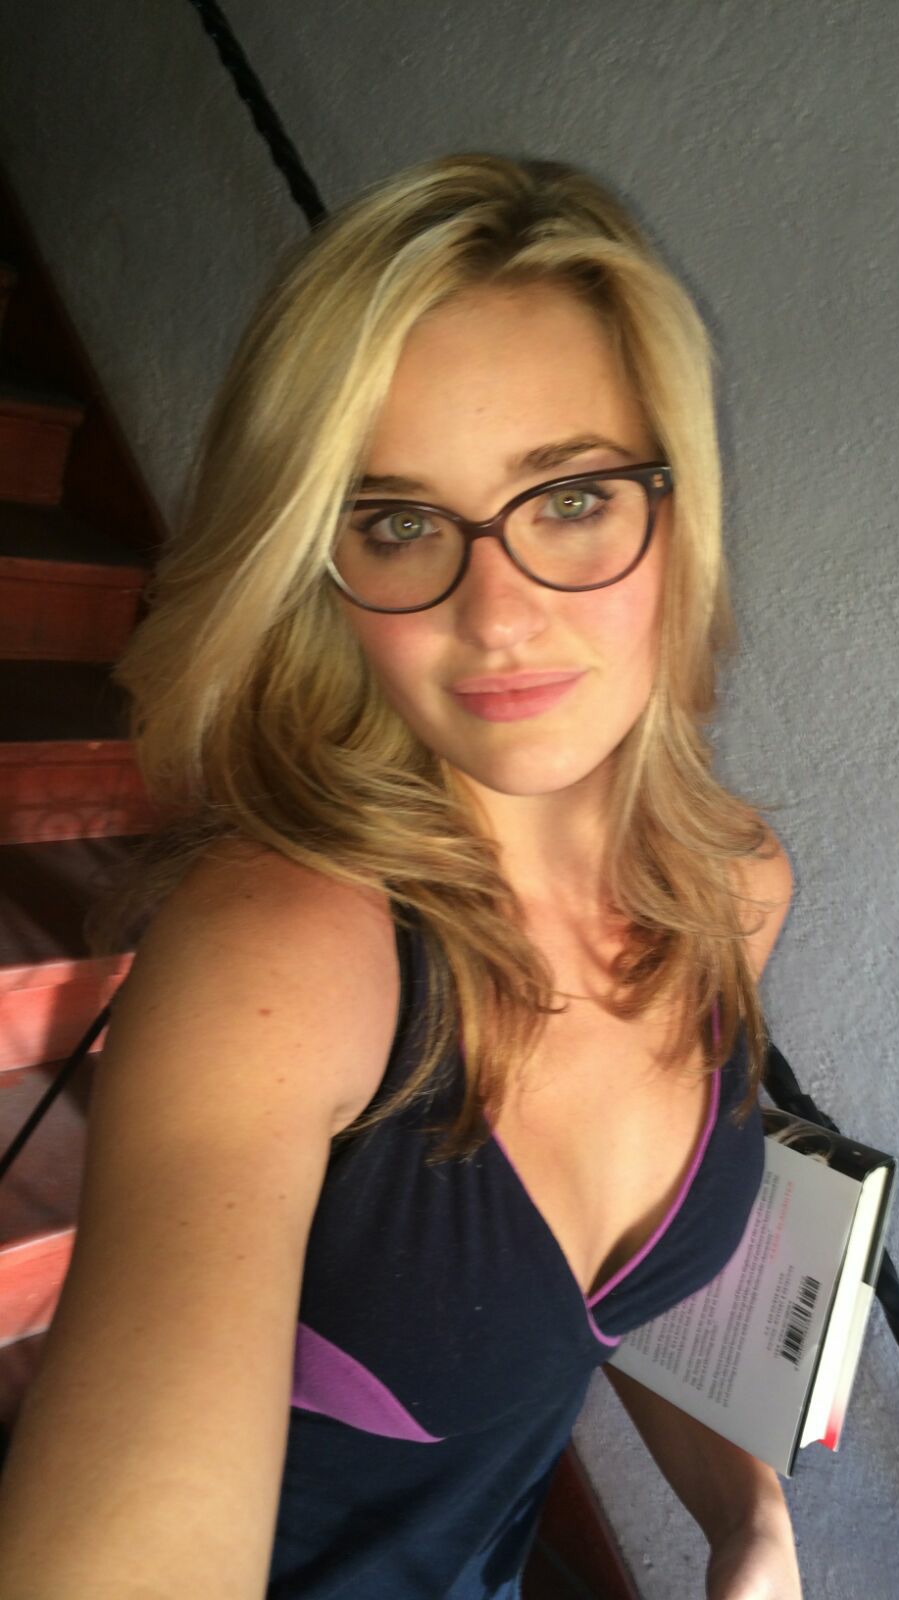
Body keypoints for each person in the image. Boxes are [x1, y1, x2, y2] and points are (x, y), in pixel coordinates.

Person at [0, 153, 803, 1598]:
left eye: (569, 498)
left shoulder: (733, 893)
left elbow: (598, 1308)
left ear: (678, 513)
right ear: (323, 570)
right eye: (398, 522)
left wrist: (748, 1520)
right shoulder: (282, 949)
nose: (495, 616)